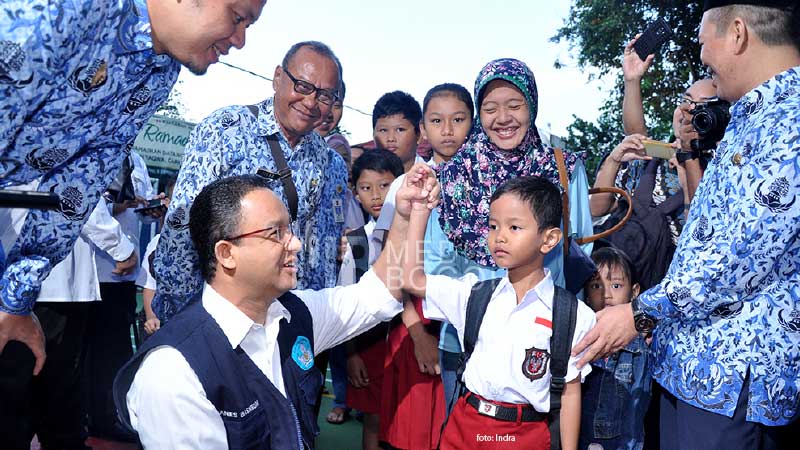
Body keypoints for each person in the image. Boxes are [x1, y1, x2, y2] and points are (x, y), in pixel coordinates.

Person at [574, 2, 800, 449]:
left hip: (732, 380)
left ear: (737, 33)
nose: (701, 54)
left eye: (703, 40)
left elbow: (741, 254)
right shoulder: (751, 117)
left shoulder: (788, 122)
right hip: (692, 367)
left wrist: (640, 313)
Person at [0, 0, 268, 375]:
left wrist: (14, 300)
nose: (239, 40)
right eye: (238, 18)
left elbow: (78, 182)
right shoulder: (70, 8)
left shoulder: (158, 72)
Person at [114, 169, 439, 449]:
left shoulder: (296, 316)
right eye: (276, 234)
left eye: (291, 230)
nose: (295, 244)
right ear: (227, 253)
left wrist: (405, 216)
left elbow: (380, 292)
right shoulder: (173, 371)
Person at [153, 41, 349, 323]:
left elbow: (317, 244)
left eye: (325, 95)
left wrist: (310, 320)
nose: (311, 102)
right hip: (218, 312)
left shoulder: (323, 158)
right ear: (278, 77)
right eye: (303, 87)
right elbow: (182, 223)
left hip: (278, 318)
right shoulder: (224, 130)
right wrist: (182, 312)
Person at [403, 176, 596, 450]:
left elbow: (570, 393)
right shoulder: (474, 295)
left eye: (514, 227)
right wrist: (420, 211)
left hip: (525, 435)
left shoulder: (574, 315)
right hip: (464, 425)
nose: (499, 236)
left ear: (549, 238)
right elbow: (413, 281)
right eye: (493, 226)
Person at [0, 197, 135, 450]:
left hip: (24, 281)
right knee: (53, 385)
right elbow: (79, 197)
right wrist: (122, 248)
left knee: (25, 387)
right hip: (52, 285)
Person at [369, 90, 446, 450]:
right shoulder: (402, 186)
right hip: (413, 318)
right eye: (383, 130)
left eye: (457, 120)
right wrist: (416, 333)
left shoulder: (466, 175)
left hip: (451, 320)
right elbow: (392, 263)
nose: (390, 138)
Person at [84, 150, 163, 441]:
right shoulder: (98, 150)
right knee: (89, 352)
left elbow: (132, 210)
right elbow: (88, 206)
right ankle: (93, 416)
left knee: (114, 350)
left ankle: (107, 415)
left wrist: (148, 209)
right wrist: (122, 206)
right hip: (99, 267)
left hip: (122, 273)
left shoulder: (137, 159)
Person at [340, 149, 404, 450]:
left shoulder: (417, 234)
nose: (376, 195)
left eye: (385, 185)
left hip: (408, 343)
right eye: (366, 188)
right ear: (356, 194)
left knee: (405, 421)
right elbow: (347, 303)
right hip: (370, 345)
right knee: (374, 421)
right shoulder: (356, 242)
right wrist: (352, 356)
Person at [580, 246, 652, 450]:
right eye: (596, 286)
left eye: (617, 286)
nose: (607, 294)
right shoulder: (579, 336)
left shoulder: (638, 346)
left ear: (634, 291)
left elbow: (637, 407)